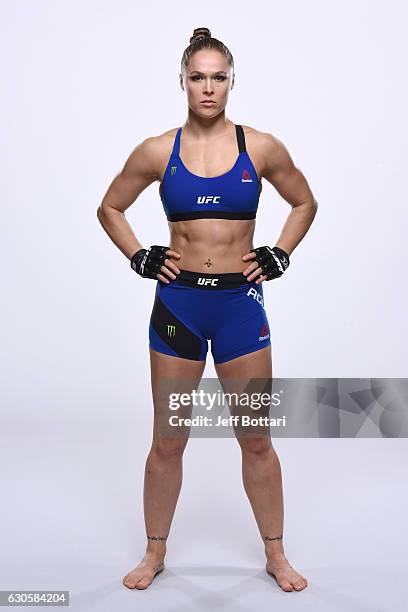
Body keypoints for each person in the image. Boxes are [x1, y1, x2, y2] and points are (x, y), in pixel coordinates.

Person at [97, 26, 318, 592]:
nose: (209, 88)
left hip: (240, 308)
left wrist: (279, 253)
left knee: (256, 437)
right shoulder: (156, 151)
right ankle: (154, 554)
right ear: (183, 82)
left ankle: (276, 554)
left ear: (231, 82)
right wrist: (139, 256)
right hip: (178, 309)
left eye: (219, 77)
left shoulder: (260, 147)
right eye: (199, 77)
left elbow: (304, 201)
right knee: (169, 439)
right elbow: (110, 207)